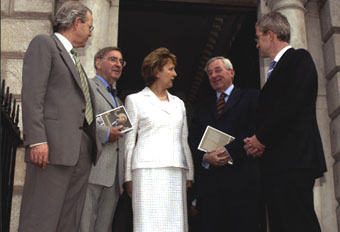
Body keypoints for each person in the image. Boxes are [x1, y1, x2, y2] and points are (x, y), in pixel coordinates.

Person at [19, 1, 99, 232]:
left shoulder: (75, 59)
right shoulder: (45, 44)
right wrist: (37, 139)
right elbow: (33, 95)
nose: (90, 33)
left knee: (68, 222)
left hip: (80, 150)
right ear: (77, 23)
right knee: (41, 218)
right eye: (90, 27)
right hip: (51, 149)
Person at [244, 12, 327, 232]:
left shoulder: (300, 59)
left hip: (295, 162)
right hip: (276, 165)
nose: (257, 45)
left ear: (270, 35)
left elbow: (291, 105)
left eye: (258, 38)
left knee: (299, 223)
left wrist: (261, 138)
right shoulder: (275, 71)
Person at [124, 47, 194, 232]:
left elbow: (184, 139)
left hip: (175, 170)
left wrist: (190, 173)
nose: (175, 74)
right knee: (148, 223)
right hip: (147, 171)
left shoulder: (179, 104)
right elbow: (129, 142)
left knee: (176, 224)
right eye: (170, 69)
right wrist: (127, 177)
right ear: (156, 71)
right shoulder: (135, 100)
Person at [188, 57, 261, 232]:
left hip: (243, 186)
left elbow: (256, 130)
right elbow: (192, 140)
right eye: (210, 73)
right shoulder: (201, 107)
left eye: (218, 70)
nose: (214, 75)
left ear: (231, 73)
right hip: (210, 191)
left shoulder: (252, 97)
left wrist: (229, 152)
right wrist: (205, 156)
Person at [80, 47, 126, 232]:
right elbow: (79, 119)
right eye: (113, 59)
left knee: (104, 228)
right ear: (98, 62)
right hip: (93, 168)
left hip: (114, 177)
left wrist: (121, 177)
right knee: (85, 225)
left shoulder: (119, 101)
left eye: (121, 62)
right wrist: (106, 134)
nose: (118, 64)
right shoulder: (87, 86)